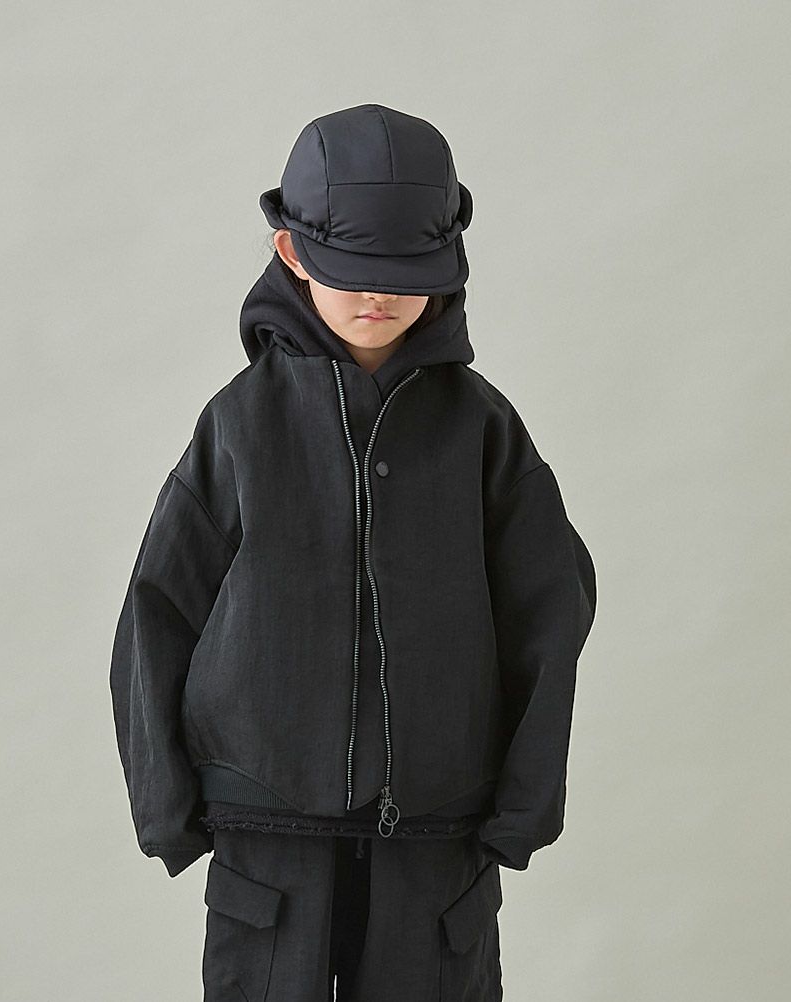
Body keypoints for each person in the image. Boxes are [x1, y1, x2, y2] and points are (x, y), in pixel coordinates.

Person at [109, 102, 597, 1002]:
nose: (377, 297)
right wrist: (165, 806)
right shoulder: (239, 425)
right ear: (291, 254)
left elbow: (549, 611)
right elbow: (158, 609)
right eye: (352, 272)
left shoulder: (482, 431)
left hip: (437, 835)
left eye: (404, 275)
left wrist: (525, 803)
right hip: (266, 835)